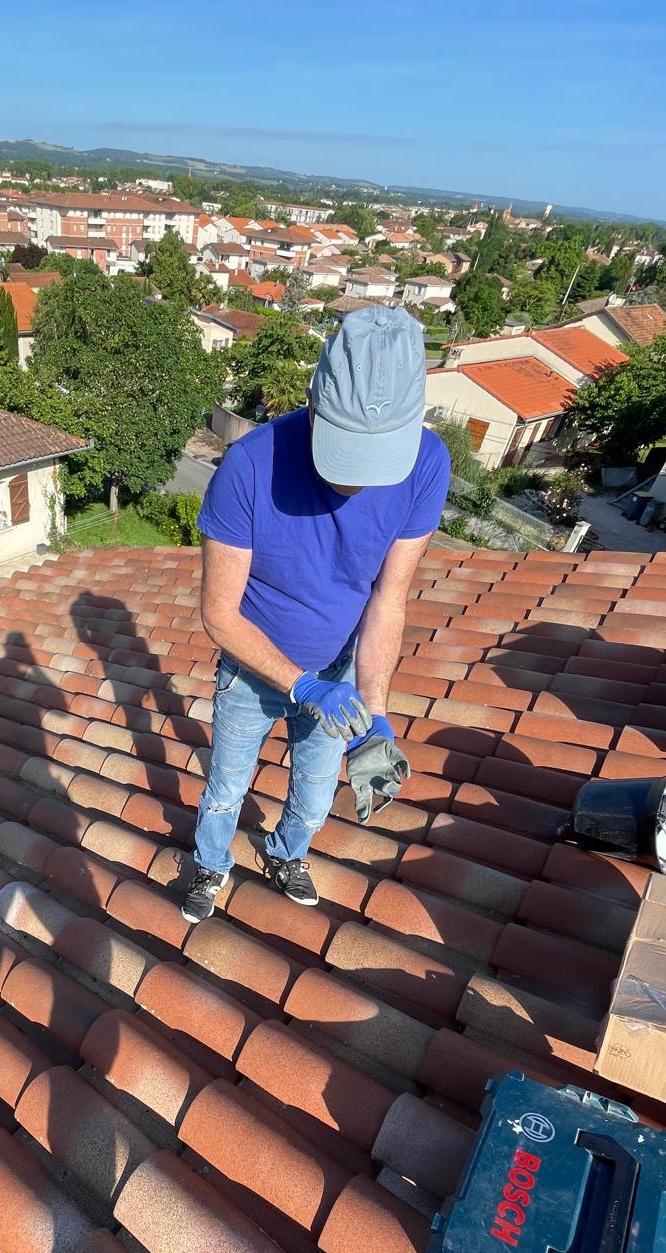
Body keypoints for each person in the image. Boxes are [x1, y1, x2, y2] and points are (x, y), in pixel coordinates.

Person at [182, 306, 449, 924]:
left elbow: (388, 597)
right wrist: (298, 683)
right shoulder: (248, 467)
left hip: (338, 671)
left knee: (315, 791)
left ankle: (286, 853)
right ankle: (211, 864)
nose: (356, 483)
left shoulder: (428, 464)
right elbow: (219, 614)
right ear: (313, 396)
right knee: (226, 788)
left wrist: (377, 710)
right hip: (253, 674)